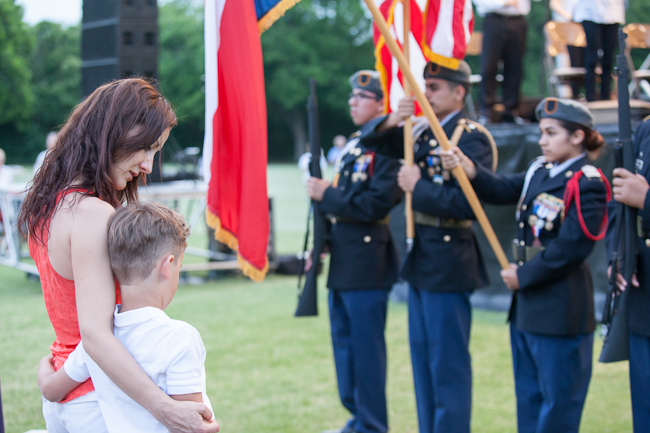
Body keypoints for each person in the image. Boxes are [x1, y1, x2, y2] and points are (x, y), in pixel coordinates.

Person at [17, 78, 219, 433]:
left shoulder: (49, 205)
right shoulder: (92, 213)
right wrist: (166, 410)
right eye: (148, 148)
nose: (148, 166)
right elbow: (95, 334)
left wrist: (54, 385)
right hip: (103, 402)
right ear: (118, 131)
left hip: (71, 393)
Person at [441, 97, 609, 433]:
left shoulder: (586, 180)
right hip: (528, 307)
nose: (542, 140)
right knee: (529, 399)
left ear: (577, 137)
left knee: (558, 404)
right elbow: (501, 189)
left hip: (561, 306)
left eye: (551, 133)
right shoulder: (539, 169)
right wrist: (470, 168)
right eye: (541, 132)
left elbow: (572, 248)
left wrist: (524, 274)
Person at [367, 60, 493, 433]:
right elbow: (370, 138)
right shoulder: (420, 131)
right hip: (422, 255)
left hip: (450, 257)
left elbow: (469, 204)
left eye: (434, 87)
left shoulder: (471, 137)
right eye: (425, 86)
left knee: (447, 365)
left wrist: (417, 187)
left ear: (459, 91)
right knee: (423, 364)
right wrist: (394, 117)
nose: (426, 93)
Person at [37, 202, 215, 432]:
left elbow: (52, 390)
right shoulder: (180, 338)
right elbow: (191, 422)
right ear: (167, 266)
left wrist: (44, 363)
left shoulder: (95, 343)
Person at [306, 70, 402, 433]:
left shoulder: (386, 146)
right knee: (345, 350)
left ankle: (372, 425)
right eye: (352, 96)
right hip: (345, 258)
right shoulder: (356, 146)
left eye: (363, 97)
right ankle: (358, 419)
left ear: (382, 103)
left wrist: (326, 193)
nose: (353, 102)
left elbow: (375, 205)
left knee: (366, 354)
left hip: (368, 262)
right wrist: (324, 239)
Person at [607, 115, 650, 433]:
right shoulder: (646, 129)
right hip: (643, 294)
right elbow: (619, 200)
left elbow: (637, 196)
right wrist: (618, 253)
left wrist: (647, 200)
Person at [473, 0, 530, 124]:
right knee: (489, 66)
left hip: (517, 19)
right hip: (494, 19)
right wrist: (503, 3)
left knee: (515, 67)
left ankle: (510, 111)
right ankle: (486, 112)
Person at [573, 0, 625, 101]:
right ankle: (590, 97)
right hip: (590, 13)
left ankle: (605, 96)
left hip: (613, 13)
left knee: (608, 59)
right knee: (591, 58)